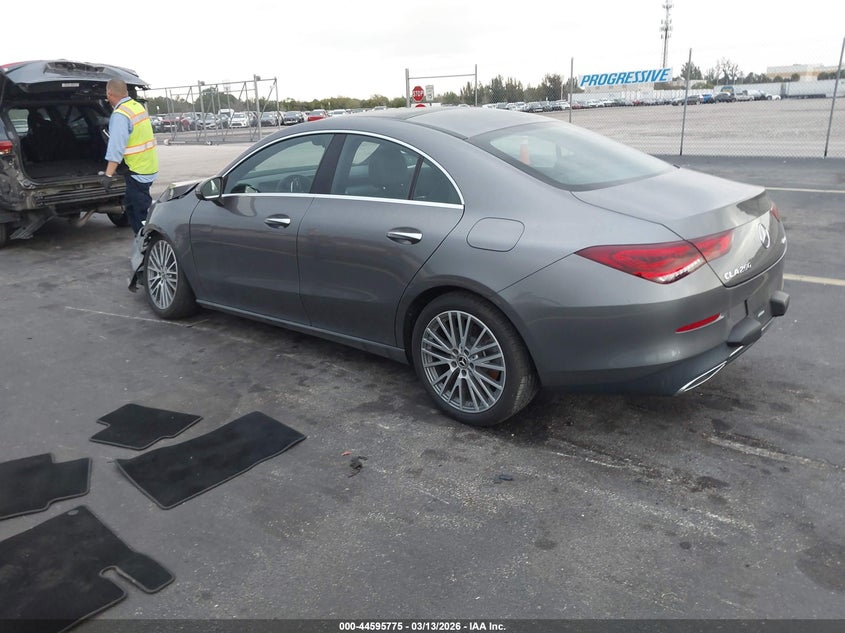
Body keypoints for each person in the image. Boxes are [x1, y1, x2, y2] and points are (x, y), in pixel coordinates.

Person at [101, 78, 158, 235]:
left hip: (137, 170)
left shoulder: (120, 115)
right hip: (148, 166)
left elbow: (116, 149)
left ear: (109, 93)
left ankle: (147, 247)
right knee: (131, 207)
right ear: (125, 92)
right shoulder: (137, 107)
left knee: (140, 215)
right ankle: (144, 244)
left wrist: (108, 175)